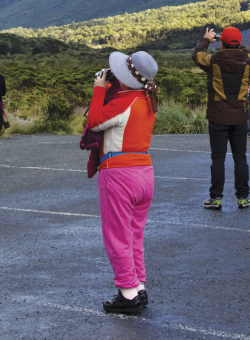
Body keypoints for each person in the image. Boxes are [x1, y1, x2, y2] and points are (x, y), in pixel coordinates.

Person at [87, 50, 159, 315]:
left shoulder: (123, 102)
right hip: (144, 171)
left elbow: (94, 122)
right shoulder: (147, 100)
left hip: (119, 173)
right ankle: (138, 286)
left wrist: (98, 90)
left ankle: (128, 293)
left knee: (116, 235)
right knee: (134, 233)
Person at [193, 26, 250, 209]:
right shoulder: (249, 60)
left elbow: (197, 55)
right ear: (238, 43)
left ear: (222, 43)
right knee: (240, 158)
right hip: (239, 115)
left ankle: (216, 197)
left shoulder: (213, 60)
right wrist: (234, 44)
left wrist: (206, 40)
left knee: (218, 158)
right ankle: (242, 197)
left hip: (218, 115)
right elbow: (246, 53)